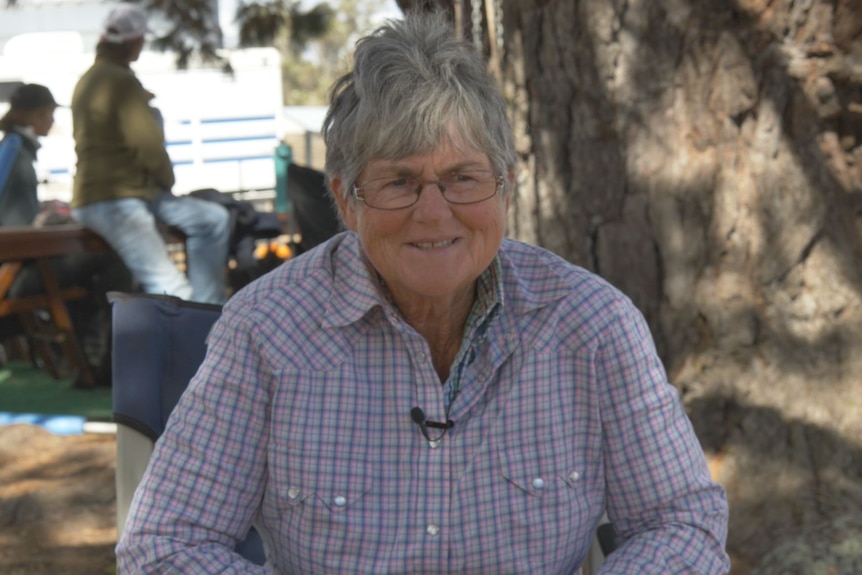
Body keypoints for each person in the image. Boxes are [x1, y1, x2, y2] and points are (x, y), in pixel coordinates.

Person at [117, 12, 730, 573]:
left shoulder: (592, 324)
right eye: (399, 182)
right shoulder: (266, 329)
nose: (434, 214)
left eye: (462, 178)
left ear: (506, 189)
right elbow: (167, 541)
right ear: (345, 199)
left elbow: (681, 523)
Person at [70, 3, 230, 304]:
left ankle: (208, 312)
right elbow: (147, 146)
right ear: (133, 41)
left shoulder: (90, 79)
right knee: (170, 289)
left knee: (213, 219)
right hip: (114, 200)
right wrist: (167, 182)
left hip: (116, 194)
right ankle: (200, 324)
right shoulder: (121, 81)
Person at [0, 83, 134, 386]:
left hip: (13, 269)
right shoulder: (15, 151)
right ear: (37, 115)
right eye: (49, 114)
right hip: (15, 275)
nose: (51, 121)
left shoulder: (13, 146)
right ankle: (106, 363)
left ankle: (91, 361)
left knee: (89, 271)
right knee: (110, 261)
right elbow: (14, 227)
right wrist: (48, 223)